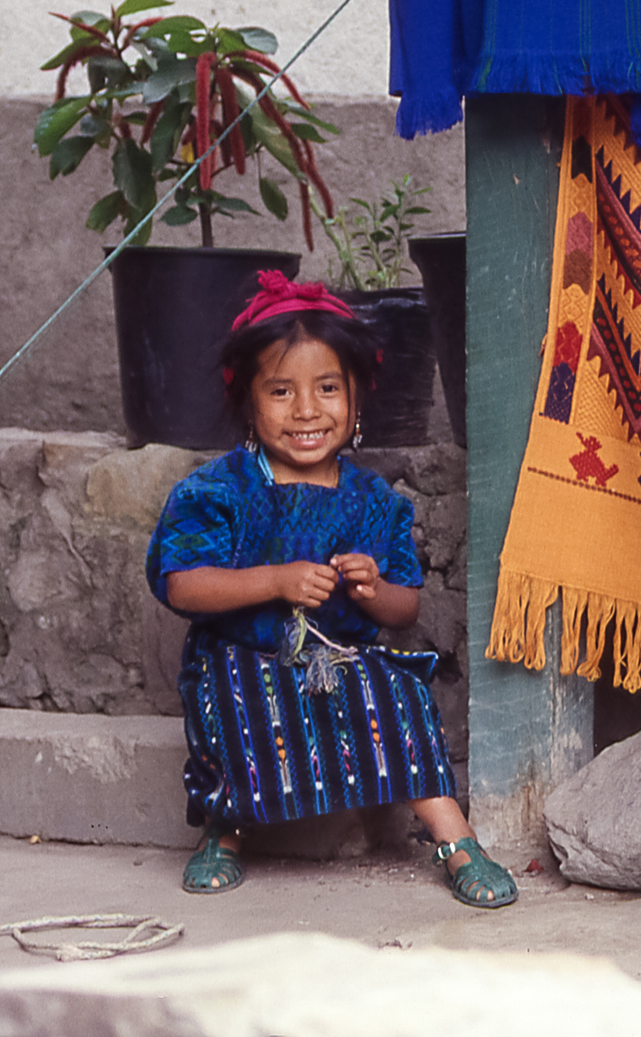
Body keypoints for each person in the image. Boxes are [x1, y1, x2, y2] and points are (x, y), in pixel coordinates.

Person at [144, 271, 516, 908]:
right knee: (239, 699)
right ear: (247, 403)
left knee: (397, 693)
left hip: (340, 663)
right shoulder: (219, 490)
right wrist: (275, 580)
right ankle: (224, 829)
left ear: (356, 399)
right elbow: (181, 584)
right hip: (245, 661)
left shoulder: (374, 502)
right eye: (281, 391)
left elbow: (406, 609)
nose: (308, 411)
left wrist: (372, 590)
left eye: (327, 389)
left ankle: (455, 838)